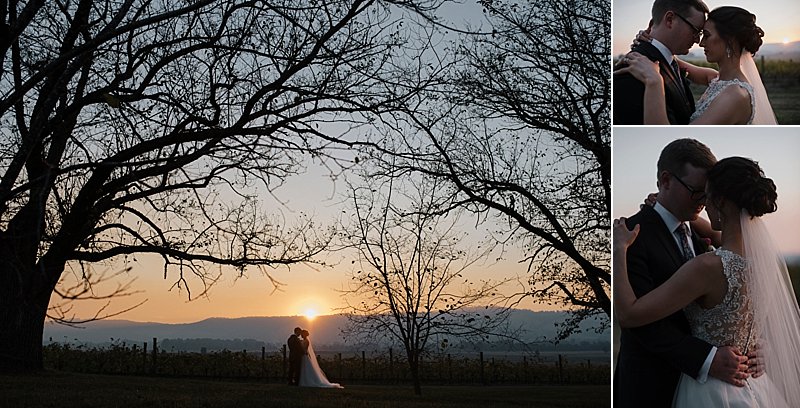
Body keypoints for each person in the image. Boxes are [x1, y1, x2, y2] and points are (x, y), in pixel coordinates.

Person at [615, 156, 800, 406]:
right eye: (697, 193)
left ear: (720, 201)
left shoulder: (707, 266)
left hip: (710, 391)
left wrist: (618, 251)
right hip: (753, 385)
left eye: (706, 195)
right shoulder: (765, 263)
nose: (702, 204)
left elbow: (628, 314)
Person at [617, 6, 777, 125]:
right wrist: (650, 40)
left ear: (730, 41)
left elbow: (678, 141)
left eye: (706, 36)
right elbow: (669, 60)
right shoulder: (715, 78)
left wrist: (654, 82)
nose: (700, 42)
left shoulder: (735, 96)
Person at [613, 0, 709, 125]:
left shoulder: (670, 62)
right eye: (695, 30)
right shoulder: (631, 70)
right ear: (670, 20)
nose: (698, 40)